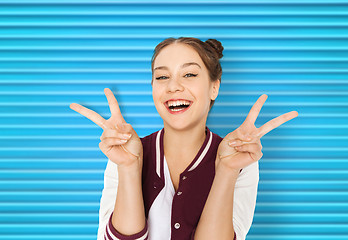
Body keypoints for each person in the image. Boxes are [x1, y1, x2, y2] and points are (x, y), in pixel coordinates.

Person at [70, 37, 298, 240]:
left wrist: (227, 170)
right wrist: (129, 167)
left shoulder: (241, 159)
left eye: (189, 74)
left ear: (214, 88)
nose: (173, 86)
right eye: (162, 76)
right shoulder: (124, 154)